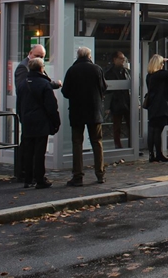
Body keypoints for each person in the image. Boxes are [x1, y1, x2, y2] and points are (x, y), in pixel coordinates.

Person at [61, 46, 108, 186]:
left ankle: (78, 176)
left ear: (77, 56)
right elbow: (103, 88)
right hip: (94, 111)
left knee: (77, 143)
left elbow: (65, 91)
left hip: (77, 112)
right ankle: (100, 174)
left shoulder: (72, 70)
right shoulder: (96, 69)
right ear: (89, 56)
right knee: (97, 142)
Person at [17, 57, 61, 189]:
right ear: (42, 69)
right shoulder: (44, 84)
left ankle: (27, 178)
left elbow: (19, 104)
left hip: (27, 121)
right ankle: (40, 179)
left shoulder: (23, 84)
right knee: (39, 152)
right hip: (41, 121)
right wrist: (56, 122)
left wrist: (22, 118)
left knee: (28, 151)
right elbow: (51, 106)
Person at [144, 54, 168, 162]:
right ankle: (159, 154)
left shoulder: (149, 76)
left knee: (152, 130)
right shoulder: (159, 75)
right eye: (161, 63)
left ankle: (152, 154)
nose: (163, 65)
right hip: (160, 106)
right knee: (157, 131)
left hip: (153, 106)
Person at [104, 51, 131, 149]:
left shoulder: (126, 71)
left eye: (123, 59)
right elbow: (108, 91)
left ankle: (132, 145)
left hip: (127, 101)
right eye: (120, 58)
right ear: (114, 59)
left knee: (130, 125)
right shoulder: (109, 72)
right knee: (117, 126)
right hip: (116, 102)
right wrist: (107, 106)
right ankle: (118, 145)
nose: (123, 61)